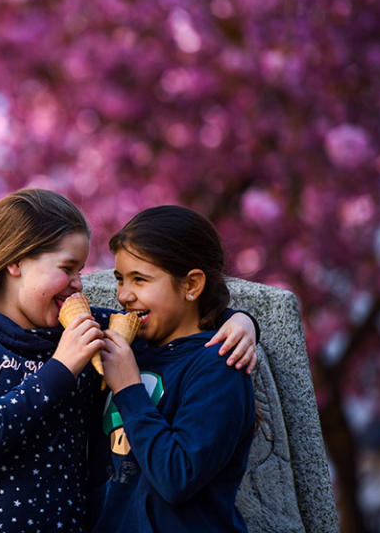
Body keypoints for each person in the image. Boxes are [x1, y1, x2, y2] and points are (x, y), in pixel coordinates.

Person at [0, 190, 258, 532]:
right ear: (15, 262)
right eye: (67, 268)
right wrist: (62, 366)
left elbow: (172, 315)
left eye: (81, 270)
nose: (79, 285)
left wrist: (239, 321)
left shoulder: (85, 331)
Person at [88, 205, 256, 532]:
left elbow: (177, 477)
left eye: (140, 279)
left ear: (191, 285)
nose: (124, 295)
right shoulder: (127, 344)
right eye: (120, 279)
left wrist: (128, 389)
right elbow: (45, 314)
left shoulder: (218, 364)